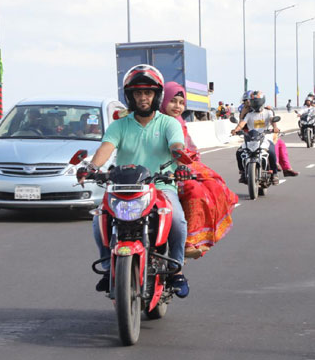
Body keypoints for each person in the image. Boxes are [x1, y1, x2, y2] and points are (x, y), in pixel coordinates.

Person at [78, 64, 190, 297]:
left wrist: (181, 164)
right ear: (130, 96)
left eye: (147, 92)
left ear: (156, 95)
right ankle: (109, 269)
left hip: (160, 186)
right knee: (99, 223)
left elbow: (177, 146)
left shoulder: (168, 123)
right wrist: (91, 168)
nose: (143, 97)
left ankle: (176, 270)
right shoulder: (119, 125)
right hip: (123, 187)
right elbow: (106, 148)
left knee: (178, 221)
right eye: (138, 93)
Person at [160, 82, 239, 258]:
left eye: (181, 103)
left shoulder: (179, 122)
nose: (177, 106)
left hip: (177, 169)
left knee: (211, 186)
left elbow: (186, 149)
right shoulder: (153, 121)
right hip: (154, 173)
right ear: (162, 100)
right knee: (193, 189)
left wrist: (186, 163)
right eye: (173, 101)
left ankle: (192, 240)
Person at [231, 91, 281, 184]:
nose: (255, 103)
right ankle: (242, 172)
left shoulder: (268, 112)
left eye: (256, 101)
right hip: (251, 137)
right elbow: (242, 123)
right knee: (239, 152)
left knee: (272, 152)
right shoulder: (249, 114)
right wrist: (236, 129)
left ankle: (274, 173)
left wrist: (275, 127)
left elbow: (272, 120)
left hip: (264, 137)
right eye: (253, 101)